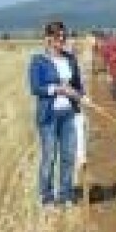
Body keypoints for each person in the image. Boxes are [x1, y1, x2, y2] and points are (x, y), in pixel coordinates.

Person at [28, 21, 86, 210]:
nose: (61, 40)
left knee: (68, 156)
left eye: (63, 36)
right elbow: (36, 88)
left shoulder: (70, 59)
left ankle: (66, 194)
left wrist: (80, 95)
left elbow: (78, 85)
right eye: (57, 37)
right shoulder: (38, 61)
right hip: (49, 116)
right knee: (50, 157)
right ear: (48, 39)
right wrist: (58, 89)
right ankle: (46, 196)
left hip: (69, 114)